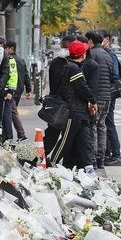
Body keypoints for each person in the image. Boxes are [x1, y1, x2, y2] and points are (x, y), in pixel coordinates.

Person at [49, 40, 98, 175]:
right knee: (65, 141)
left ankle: (89, 167)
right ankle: (52, 163)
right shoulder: (73, 68)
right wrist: (92, 100)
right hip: (73, 112)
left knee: (85, 141)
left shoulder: (71, 66)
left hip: (79, 112)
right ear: (82, 55)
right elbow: (83, 88)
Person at [86, 30, 114, 169]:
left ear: (91, 41)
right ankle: (101, 158)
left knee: (93, 127)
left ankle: (93, 158)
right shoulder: (108, 55)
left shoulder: (92, 54)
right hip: (107, 96)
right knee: (102, 126)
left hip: (96, 97)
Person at [45, 35, 76, 155]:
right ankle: (40, 158)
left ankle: (58, 160)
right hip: (58, 105)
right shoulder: (57, 63)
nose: (63, 49)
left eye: (66, 47)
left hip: (64, 105)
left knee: (66, 137)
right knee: (52, 135)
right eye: (62, 46)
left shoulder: (72, 62)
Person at [102, 30, 121, 167]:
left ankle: (116, 154)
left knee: (109, 122)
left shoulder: (111, 54)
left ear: (108, 40)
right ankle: (109, 152)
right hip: (105, 92)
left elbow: (115, 75)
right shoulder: (105, 54)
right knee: (105, 123)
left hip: (109, 93)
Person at [6, 41, 31, 141]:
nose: (6, 50)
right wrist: (28, 89)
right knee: (12, 111)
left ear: (11, 48)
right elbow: (26, 75)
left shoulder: (10, 60)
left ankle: (21, 134)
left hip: (12, 90)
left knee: (12, 112)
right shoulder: (21, 60)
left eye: (7, 48)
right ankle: (19, 134)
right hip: (19, 90)